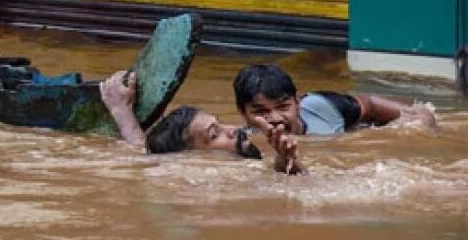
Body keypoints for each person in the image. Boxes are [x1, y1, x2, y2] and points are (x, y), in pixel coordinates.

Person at [100, 71, 305, 175]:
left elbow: (140, 151)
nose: (234, 130)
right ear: (191, 158)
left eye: (221, 125)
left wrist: (122, 110)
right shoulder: (211, 180)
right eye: (214, 135)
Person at [232, 63, 436, 135]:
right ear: (242, 113)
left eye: (283, 107)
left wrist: (419, 120)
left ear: (298, 101)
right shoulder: (241, 143)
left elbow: (371, 105)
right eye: (260, 112)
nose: (275, 118)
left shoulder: (323, 107)